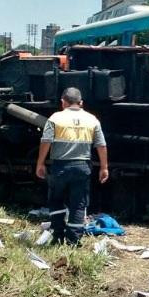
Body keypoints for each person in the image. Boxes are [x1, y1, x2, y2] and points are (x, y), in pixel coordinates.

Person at [35, 87, 109, 245]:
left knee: (56, 199)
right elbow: (101, 145)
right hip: (83, 167)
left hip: (60, 167)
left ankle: (58, 235)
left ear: (63, 102)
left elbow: (46, 141)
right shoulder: (92, 119)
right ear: (81, 103)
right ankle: (73, 240)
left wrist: (40, 163)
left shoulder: (55, 118)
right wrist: (104, 167)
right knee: (78, 203)